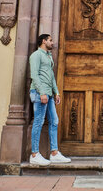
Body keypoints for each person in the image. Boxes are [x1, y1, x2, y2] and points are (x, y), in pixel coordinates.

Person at [29, 34, 71, 166]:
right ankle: (34, 154)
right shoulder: (36, 55)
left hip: (49, 94)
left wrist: (56, 92)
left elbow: (51, 76)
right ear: (43, 41)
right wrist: (42, 93)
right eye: (50, 40)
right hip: (39, 93)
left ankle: (54, 153)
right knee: (38, 121)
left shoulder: (48, 56)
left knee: (54, 121)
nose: (53, 42)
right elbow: (34, 75)